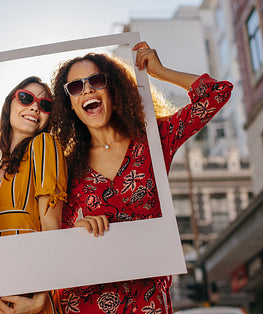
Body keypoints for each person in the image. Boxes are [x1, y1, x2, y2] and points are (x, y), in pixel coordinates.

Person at [50, 41, 233, 313]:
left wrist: (159, 71)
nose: (87, 89)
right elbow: (55, 243)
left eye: (96, 81)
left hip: (147, 302)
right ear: (71, 105)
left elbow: (217, 93)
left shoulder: (154, 142)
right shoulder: (65, 167)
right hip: (85, 303)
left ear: (112, 88)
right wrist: (78, 230)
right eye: (76, 87)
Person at [0, 76, 67, 314]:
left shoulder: (43, 145)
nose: (36, 106)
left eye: (45, 104)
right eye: (26, 98)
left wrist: (40, 299)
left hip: (25, 292)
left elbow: (52, 230)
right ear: (10, 105)